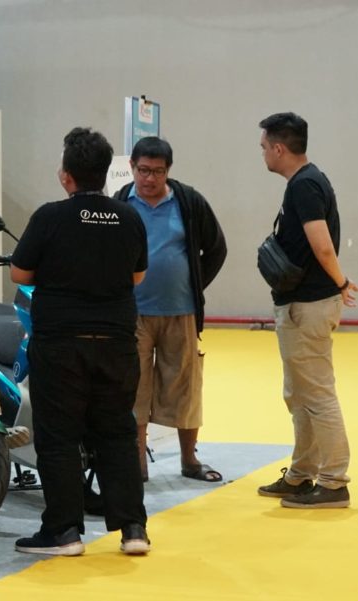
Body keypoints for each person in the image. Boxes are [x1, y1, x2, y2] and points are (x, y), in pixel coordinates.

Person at [10, 127, 151, 556]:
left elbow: (20, 273)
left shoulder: (49, 217)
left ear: (66, 175)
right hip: (116, 341)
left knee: (59, 436)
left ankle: (63, 532)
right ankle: (133, 530)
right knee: (117, 431)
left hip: (61, 343)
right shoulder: (129, 217)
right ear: (105, 172)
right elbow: (137, 276)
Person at [256, 112, 357, 509]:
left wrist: (341, 282)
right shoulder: (307, 181)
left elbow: (322, 245)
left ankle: (333, 482)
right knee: (299, 395)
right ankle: (301, 474)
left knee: (317, 395)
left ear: (279, 148)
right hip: (302, 303)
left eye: (265, 147)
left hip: (308, 304)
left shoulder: (304, 186)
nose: (263, 154)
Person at [113, 137, 227, 483]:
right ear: (131, 167)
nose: (150, 178)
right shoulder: (120, 203)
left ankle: (189, 460)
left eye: (158, 172)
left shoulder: (189, 201)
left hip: (181, 312)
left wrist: (194, 285)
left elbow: (217, 248)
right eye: (144, 170)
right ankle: (137, 465)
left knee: (186, 388)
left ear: (168, 171)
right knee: (134, 388)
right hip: (133, 315)